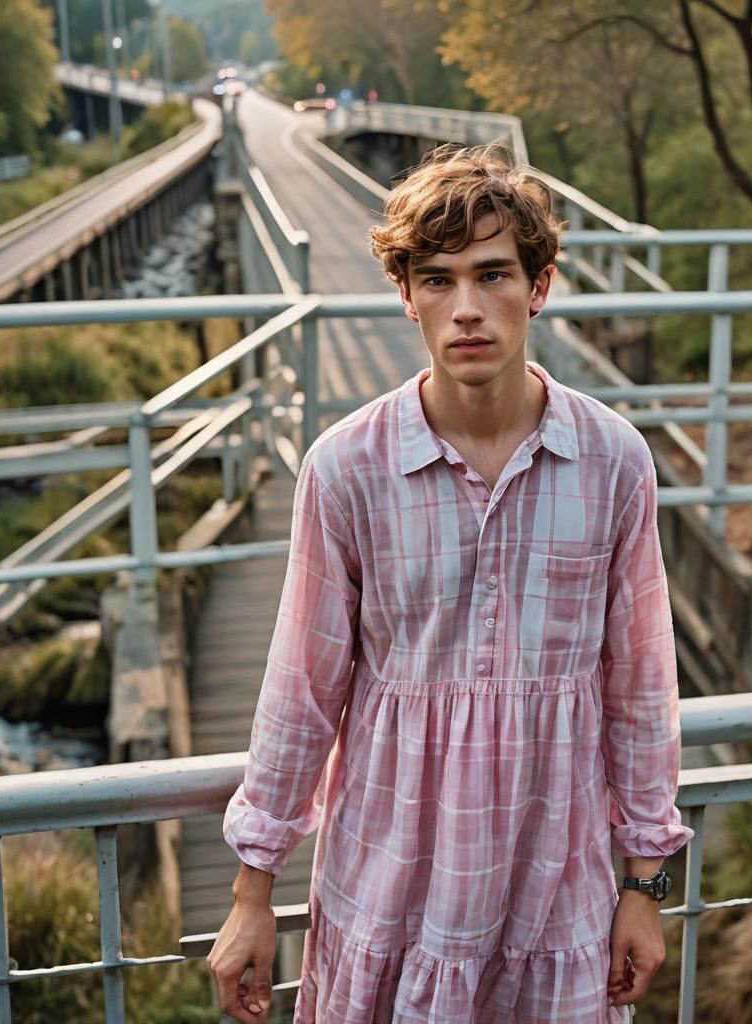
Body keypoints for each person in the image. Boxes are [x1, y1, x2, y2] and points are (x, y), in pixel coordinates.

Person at [208, 143, 693, 1024]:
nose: (467, 308)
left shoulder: (614, 460)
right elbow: (301, 690)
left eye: (494, 274)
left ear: (540, 285)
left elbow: (640, 688)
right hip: (389, 893)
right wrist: (251, 892)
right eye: (436, 280)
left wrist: (646, 886)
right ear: (406, 295)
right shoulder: (347, 468)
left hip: (557, 894)